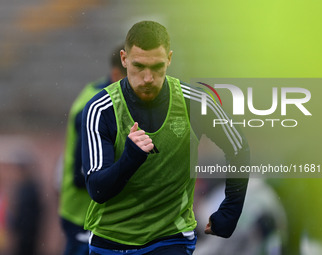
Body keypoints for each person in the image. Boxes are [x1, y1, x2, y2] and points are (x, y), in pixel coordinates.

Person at [82, 21, 249, 255]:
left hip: (170, 238)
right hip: (110, 240)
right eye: (139, 66)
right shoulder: (101, 109)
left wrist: (230, 211)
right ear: (124, 59)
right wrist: (130, 158)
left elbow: (239, 148)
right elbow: (98, 190)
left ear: (169, 59)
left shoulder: (196, 102)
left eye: (157, 67)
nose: (148, 78)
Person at [59, 46, 126, 255]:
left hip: (97, 216)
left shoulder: (111, 97)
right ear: (117, 74)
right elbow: (82, 175)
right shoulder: (95, 106)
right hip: (83, 216)